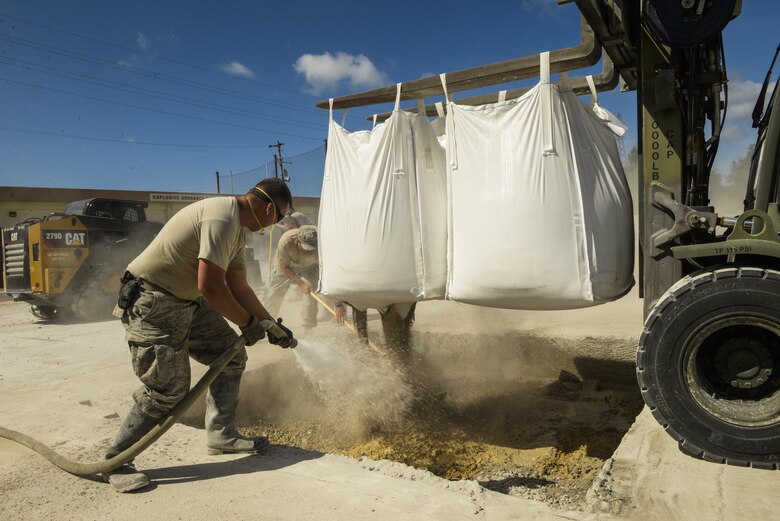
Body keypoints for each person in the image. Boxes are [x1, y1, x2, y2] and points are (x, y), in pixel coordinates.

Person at [103, 178, 296, 493]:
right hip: (153, 300)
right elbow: (211, 286)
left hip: (186, 301)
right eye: (277, 218)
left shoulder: (235, 231)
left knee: (230, 357)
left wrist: (268, 323)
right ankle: (115, 461)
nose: (273, 225)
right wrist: (247, 323)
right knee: (167, 388)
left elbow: (239, 286)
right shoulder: (221, 218)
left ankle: (221, 435)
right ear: (269, 207)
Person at [263, 225, 321, 330]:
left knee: (311, 292)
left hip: (309, 266)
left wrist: (338, 304)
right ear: (297, 242)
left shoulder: (322, 241)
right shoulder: (286, 241)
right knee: (275, 293)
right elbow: (285, 268)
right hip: (286, 264)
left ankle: (308, 328)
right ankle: (267, 324)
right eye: (306, 248)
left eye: (312, 249)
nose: (309, 252)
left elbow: (328, 271)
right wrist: (302, 284)